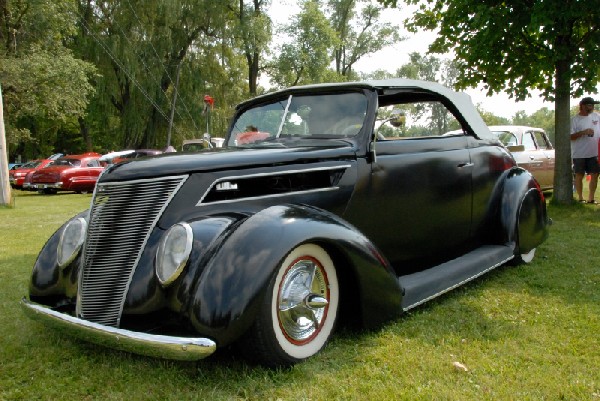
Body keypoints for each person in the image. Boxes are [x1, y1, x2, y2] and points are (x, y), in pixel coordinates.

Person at [571, 96, 600, 203]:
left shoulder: (596, 116)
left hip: (594, 152)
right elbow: (570, 136)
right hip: (579, 153)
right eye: (589, 105)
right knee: (579, 175)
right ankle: (580, 198)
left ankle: (591, 198)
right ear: (582, 106)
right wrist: (583, 132)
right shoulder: (575, 120)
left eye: (593, 105)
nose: (592, 107)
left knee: (595, 174)